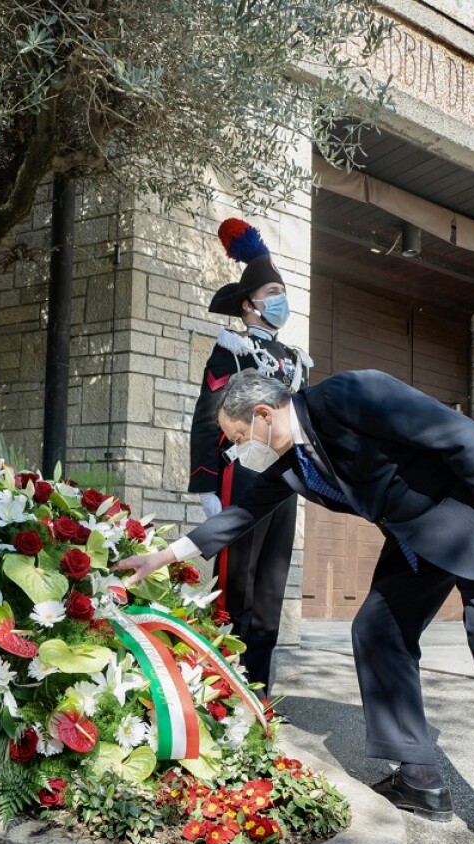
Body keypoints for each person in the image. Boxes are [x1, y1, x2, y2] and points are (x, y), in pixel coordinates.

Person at [117, 369, 474, 844]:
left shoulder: (351, 393)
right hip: (419, 538)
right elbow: (242, 512)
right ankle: (421, 779)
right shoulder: (292, 461)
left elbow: (457, 434)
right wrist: (163, 556)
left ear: (264, 414)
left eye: (240, 438)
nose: (240, 450)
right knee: (377, 631)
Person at [188, 219, 309, 693]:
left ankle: (257, 687)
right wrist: (205, 484)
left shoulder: (296, 359)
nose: (281, 299)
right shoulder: (232, 350)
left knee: (271, 584)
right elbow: (207, 416)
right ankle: (223, 686)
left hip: (285, 479)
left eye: (282, 290)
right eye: (272, 291)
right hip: (241, 476)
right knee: (236, 582)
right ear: (249, 304)